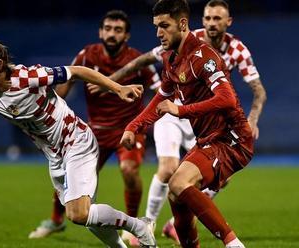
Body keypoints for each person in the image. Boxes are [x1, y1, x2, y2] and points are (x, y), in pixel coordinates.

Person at [0, 38, 156, 248]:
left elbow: (78, 71)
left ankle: (138, 226)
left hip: (76, 141)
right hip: (54, 156)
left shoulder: (29, 77)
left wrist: (118, 89)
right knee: (86, 214)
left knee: (78, 213)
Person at [112, 0, 267, 244]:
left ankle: (234, 244)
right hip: (207, 138)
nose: (158, 33)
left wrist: (181, 110)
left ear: (182, 24)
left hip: (231, 138)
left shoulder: (204, 56)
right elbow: (161, 98)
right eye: (156, 26)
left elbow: (227, 99)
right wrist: (133, 126)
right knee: (176, 193)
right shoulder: (172, 57)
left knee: (179, 182)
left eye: (164, 26)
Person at [28, 10, 161, 246]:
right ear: (100, 31)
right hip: (96, 131)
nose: (111, 34)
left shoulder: (137, 59)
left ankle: (132, 225)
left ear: (126, 35)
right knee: (71, 175)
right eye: (107, 29)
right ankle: (56, 220)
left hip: (127, 129)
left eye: (118, 30)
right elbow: (65, 84)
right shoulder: (87, 56)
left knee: (129, 170)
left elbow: (161, 91)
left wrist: (144, 122)